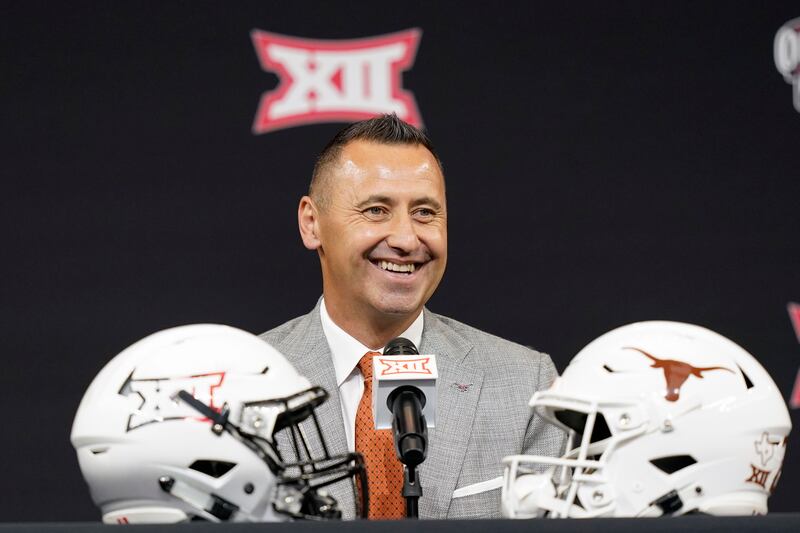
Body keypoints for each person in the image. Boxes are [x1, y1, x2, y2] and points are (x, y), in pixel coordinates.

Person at [260, 114, 564, 519]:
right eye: (376, 210)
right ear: (312, 223)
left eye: (424, 213)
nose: (406, 239)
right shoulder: (245, 382)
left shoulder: (529, 387)